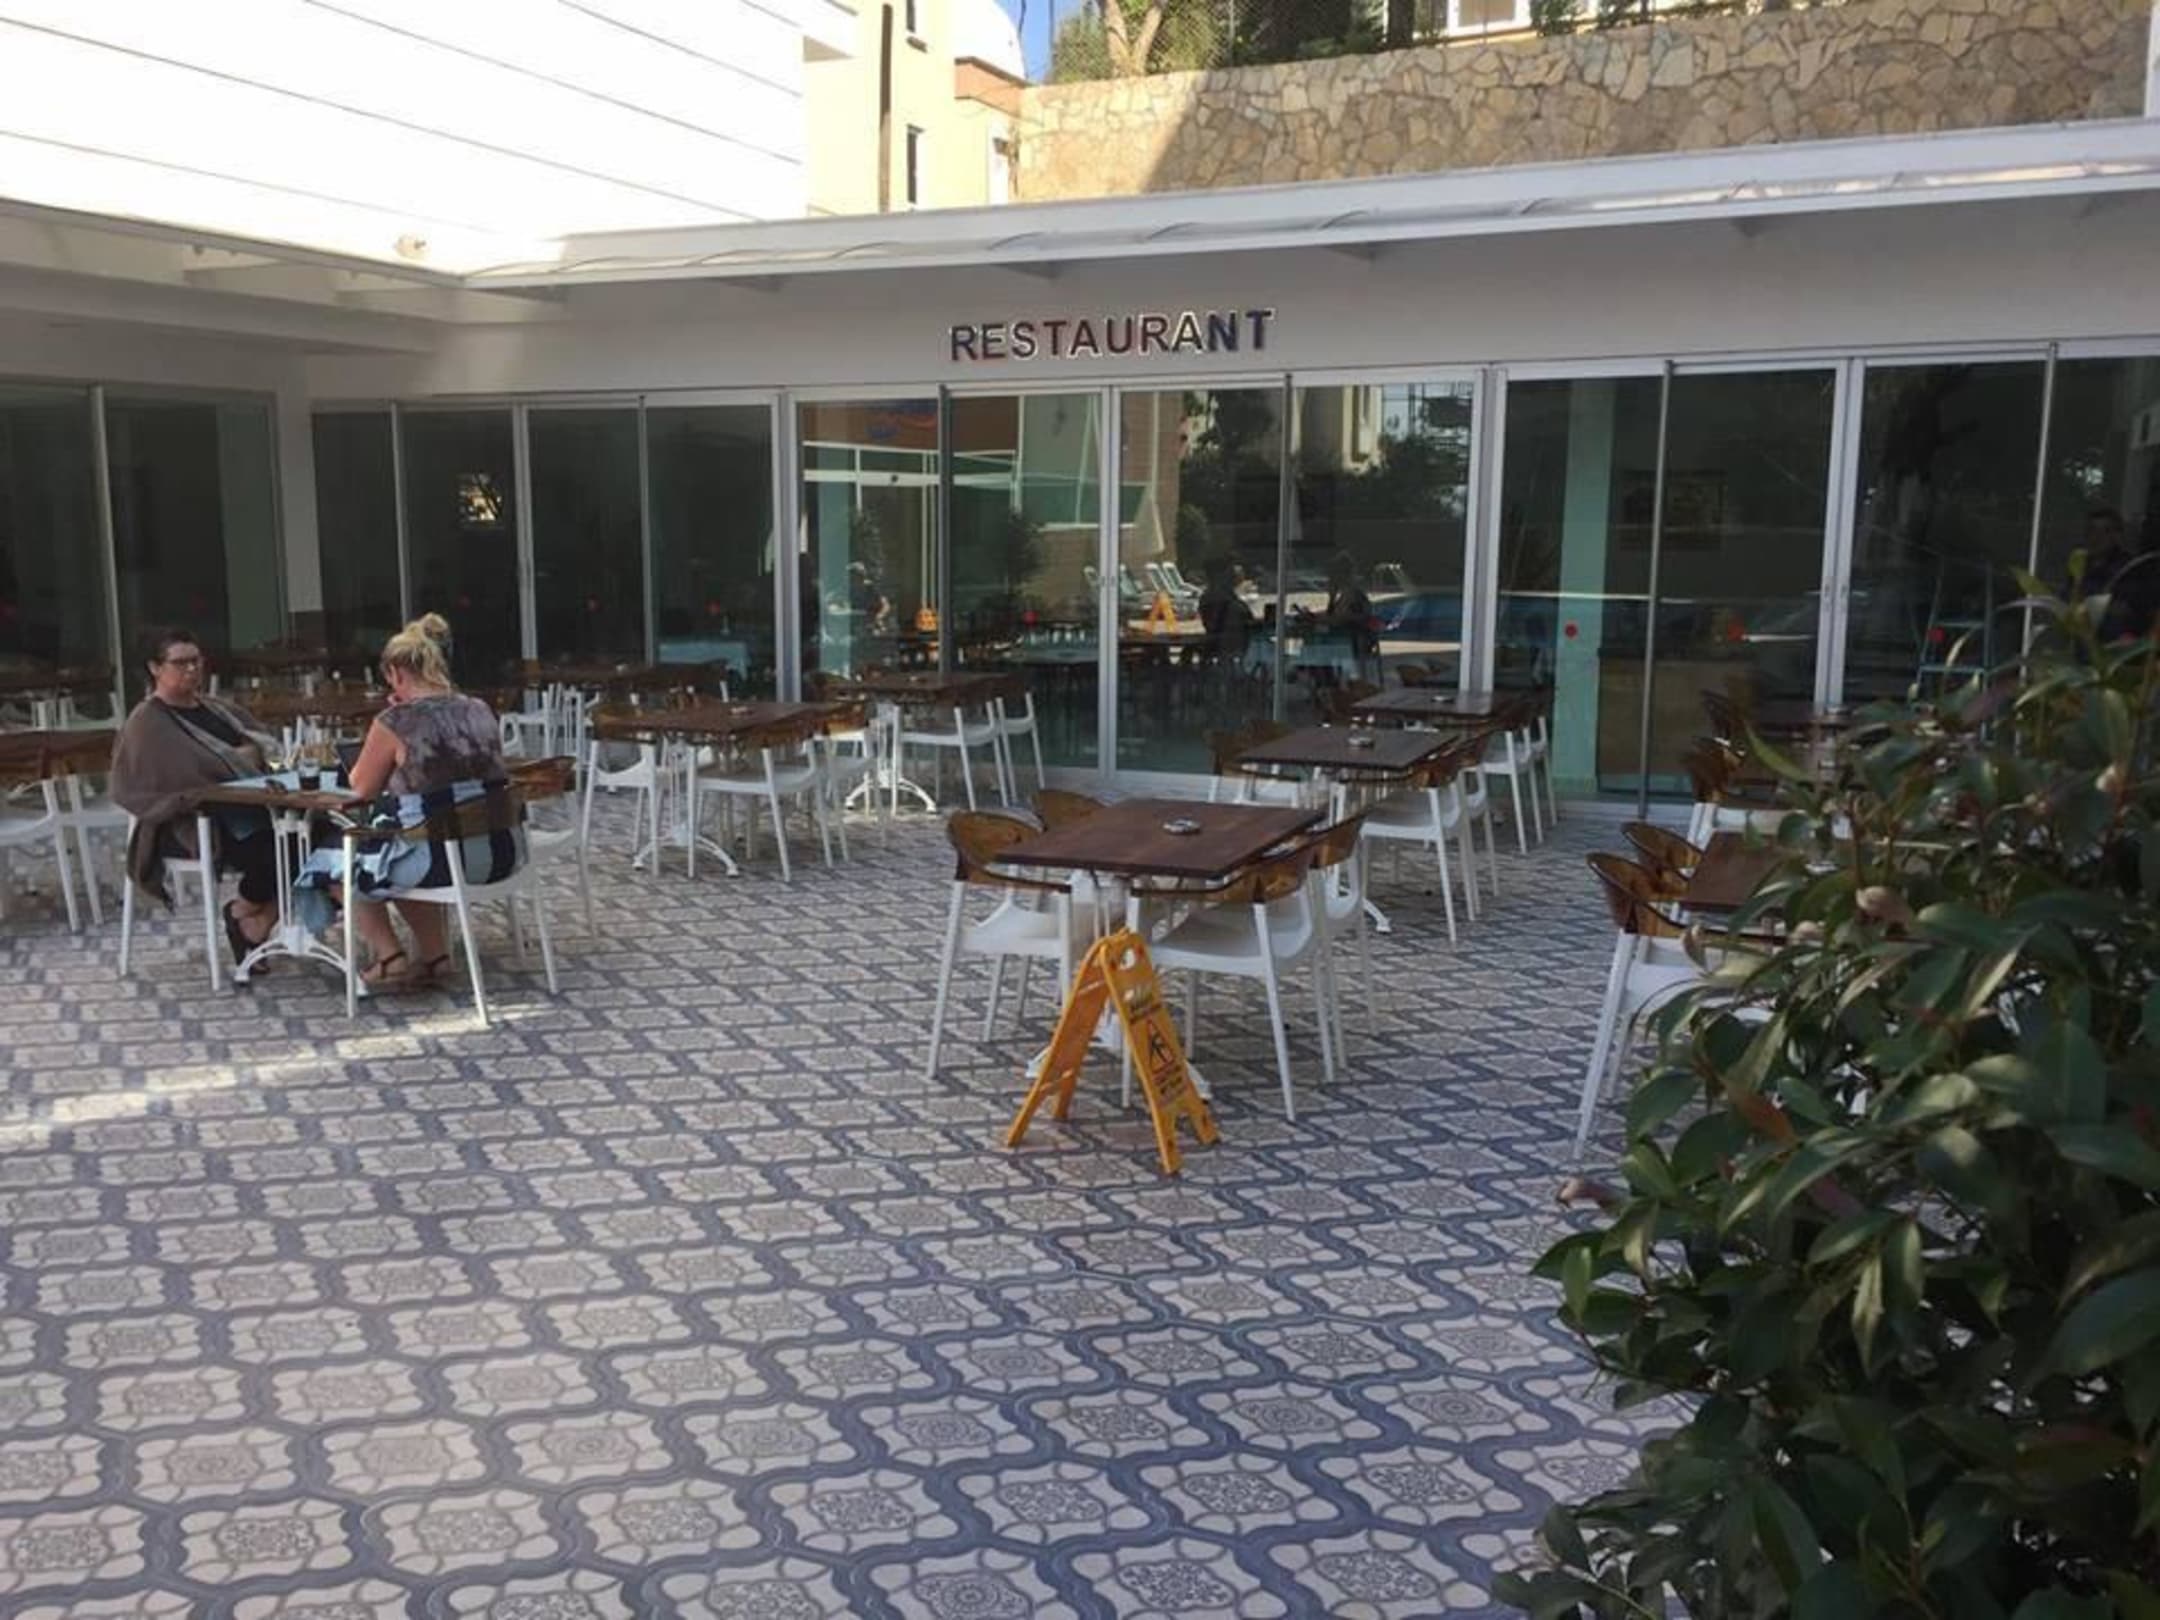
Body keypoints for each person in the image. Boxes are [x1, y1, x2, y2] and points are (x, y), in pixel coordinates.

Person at [292, 614, 520, 990]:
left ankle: (390, 957)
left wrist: (391, 721)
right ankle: (436, 957)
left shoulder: (395, 721)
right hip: (502, 852)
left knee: (336, 860)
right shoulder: (479, 709)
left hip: (442, 862)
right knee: (402, 846)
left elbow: (360, 789)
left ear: (396, 673)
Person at [110, 627, 282, 963]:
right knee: (281, 848)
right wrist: (237, 760)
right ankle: (246, 915)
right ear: (155, 668)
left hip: (256, 805)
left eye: (196, 661)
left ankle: (252, 921)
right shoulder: (148, 722)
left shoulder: (216, 708)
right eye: (180, 663)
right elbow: (175, 775)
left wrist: (241, 759)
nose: (192, 669)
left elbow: (261, 744)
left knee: (320, 838)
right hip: (193, 822)